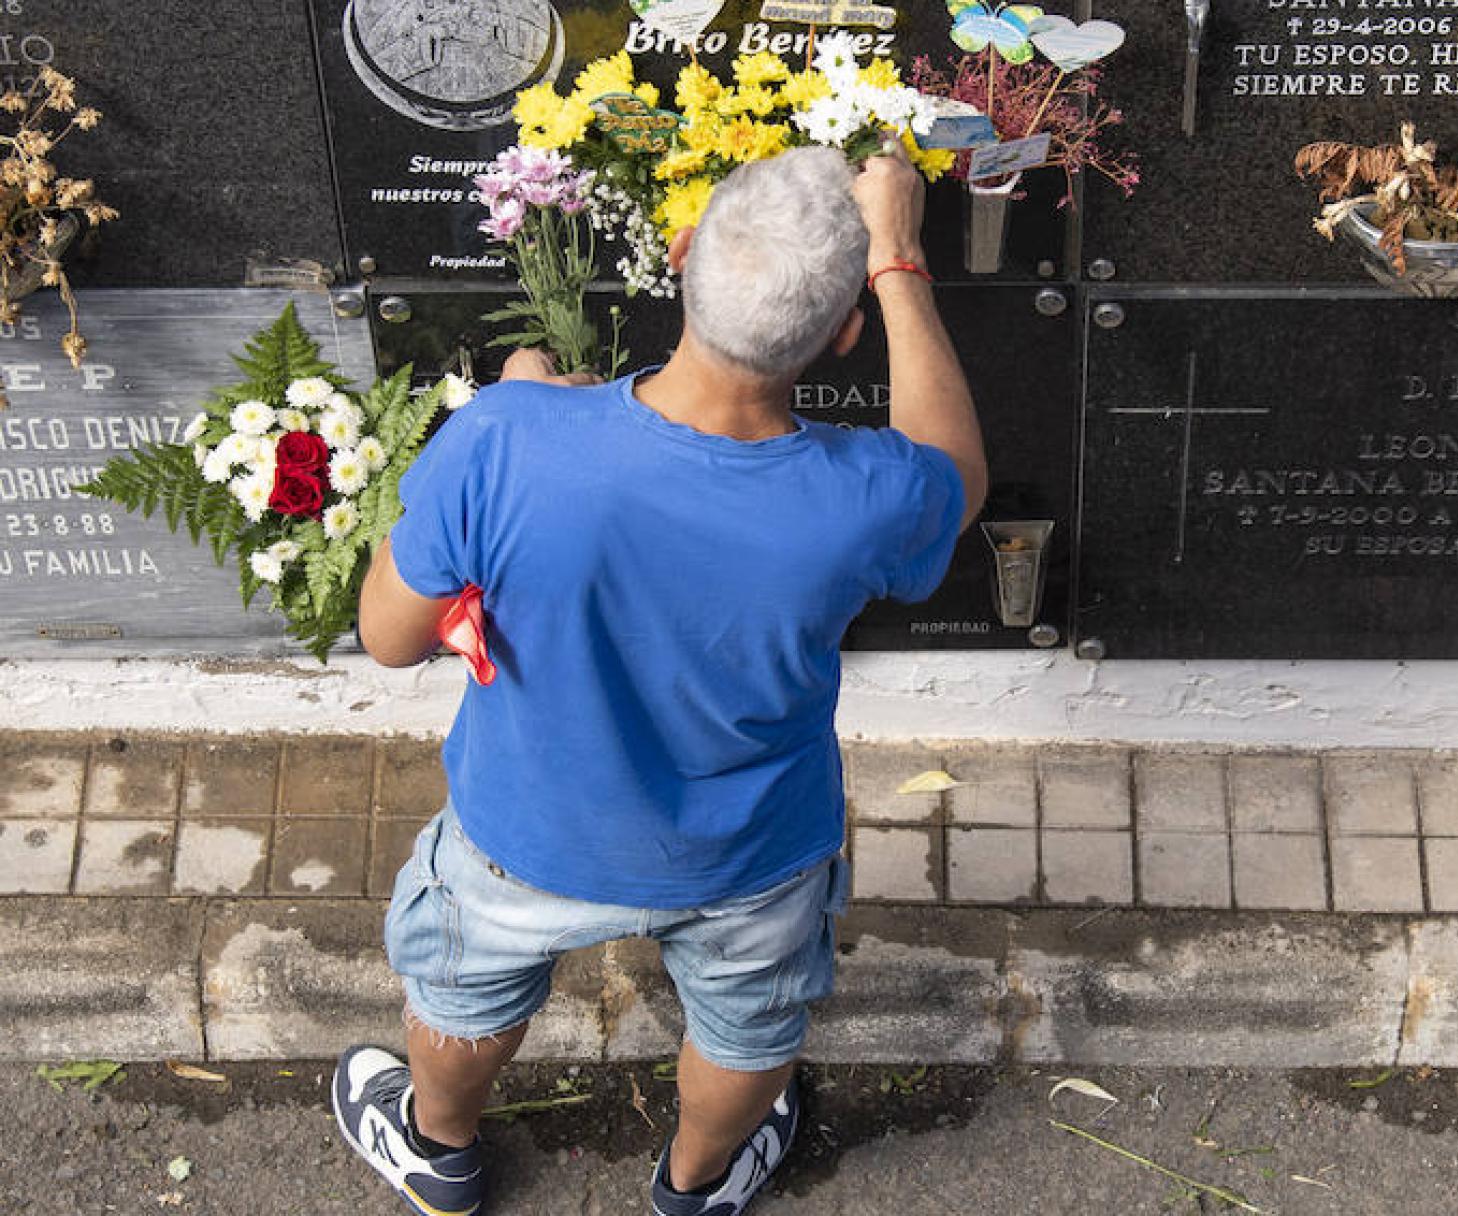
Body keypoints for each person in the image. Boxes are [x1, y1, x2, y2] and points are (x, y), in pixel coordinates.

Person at [330, 142, 985, 1216]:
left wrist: (520, 412)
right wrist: (900, 258)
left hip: (525, 829)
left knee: (463, 992)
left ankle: (437, 1145)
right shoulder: (868, 493)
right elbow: (952, 474)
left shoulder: (508, 438)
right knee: (746, 1028)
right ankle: (698, 1180)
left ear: (682, 258)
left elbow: (389, 635)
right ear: (845, 335)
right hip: (749, 851)